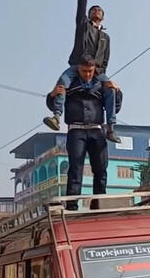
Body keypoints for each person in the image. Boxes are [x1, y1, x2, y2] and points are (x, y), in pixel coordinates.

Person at [43, 0, 121, 143]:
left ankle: (110, 127)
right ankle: (56, 116)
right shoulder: (83, 26)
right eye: (93, 8)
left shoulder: (106, 38)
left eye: (100, 9)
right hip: (77, 67)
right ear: (88, 14)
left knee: (112, 90)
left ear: (103, 16)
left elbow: (105, 60)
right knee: (62, 82)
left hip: (97, 72)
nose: (96, 10)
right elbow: (81, 0)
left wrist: (103, 78)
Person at [46, 55, 123, 211]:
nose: (87, 74)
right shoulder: (69, 82)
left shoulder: (101, 84)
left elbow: (115, 106)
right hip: (76, 131)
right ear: (78, 69)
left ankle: (99, 204)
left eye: (89, 71)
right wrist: (52, 95)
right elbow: (52, 103)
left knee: (101, 168)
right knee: (75, 168)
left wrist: (118, 91)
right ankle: (72, 205)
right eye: (83, 71)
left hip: (97, 130)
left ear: (94, 70)